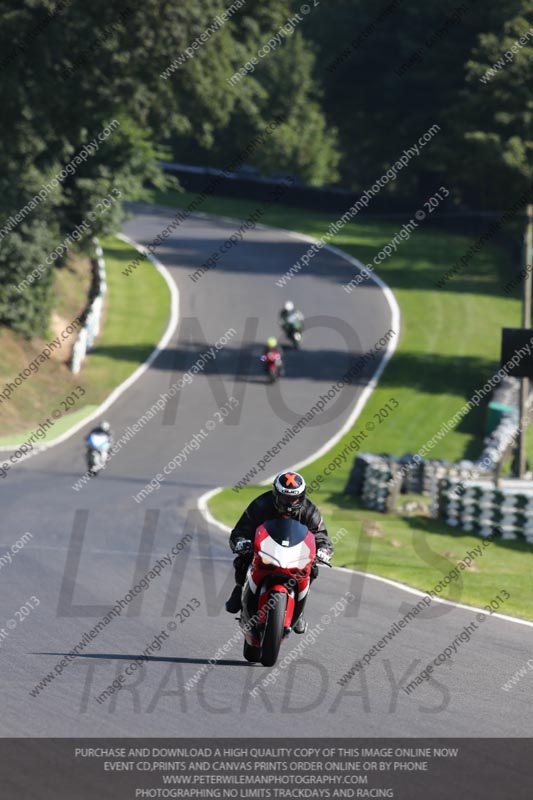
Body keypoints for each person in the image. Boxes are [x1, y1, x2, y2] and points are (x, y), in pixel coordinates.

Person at [225, 471, 333, 633]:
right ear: (276, 494)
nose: (289, 503)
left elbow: (320, 535)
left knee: (313, 569)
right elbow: (242, 529)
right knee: (243, 559)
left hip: (295, 552)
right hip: (265, 549)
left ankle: (299, 609)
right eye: (284, 498)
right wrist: (241, 542)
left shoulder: (310, 511)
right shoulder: (261, 504)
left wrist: (324, 550)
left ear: (302, 496)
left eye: (294, 498)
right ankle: (240, 588)